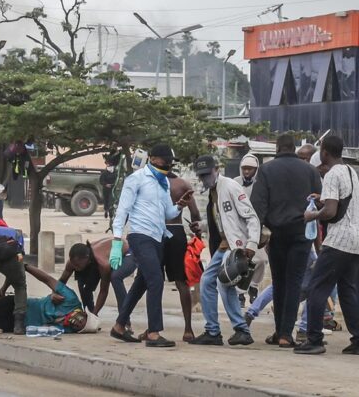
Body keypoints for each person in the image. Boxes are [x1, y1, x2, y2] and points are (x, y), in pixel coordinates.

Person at [109, 144, 193, 348]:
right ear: (154, 159)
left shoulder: (163, 181)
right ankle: (154, 332)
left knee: (142, 283)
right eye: (167, 161)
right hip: (140, 236)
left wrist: (180, 205)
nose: (169, 165)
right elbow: (122, 211)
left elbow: (167, 214)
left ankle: (119, 326)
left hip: (158, 237)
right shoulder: (136, 179)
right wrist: (117, 240)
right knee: (156, 279)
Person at [251, 134, 322, 348]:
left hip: (277, 234)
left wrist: (258, 235)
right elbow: (319, 203)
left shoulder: (267, 170)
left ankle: (279, 331)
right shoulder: (310, 170)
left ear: (278, 148)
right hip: (302, 234)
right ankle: (285, 335)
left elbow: (258, 204)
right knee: (294, 282)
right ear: (293, 148)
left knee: (279, 282)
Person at [296, 136, 359, 355]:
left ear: (324, 153)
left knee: (317, 288)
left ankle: (314, 339)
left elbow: (331, 212)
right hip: (354, 241)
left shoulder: (332, 174)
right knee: (348, 291)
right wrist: (322, 199)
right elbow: (342, 203)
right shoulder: (351, 172)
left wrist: (311, 214)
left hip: (338, 241)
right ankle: (358, 340)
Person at [189, 155, 261, 346]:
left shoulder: (229, 186)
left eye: (208, 174)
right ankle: (214, 331)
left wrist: (251, 244)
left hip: (235, 246)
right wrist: (202, 226)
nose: (205, 178)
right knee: (207, 282)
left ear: (217, 169)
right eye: (202, 175)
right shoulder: (214, 191)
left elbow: (251, 217)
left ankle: (239, 330)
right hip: (223, 245)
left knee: (224, 283)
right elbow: (223, 220)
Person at [0, 262, 96, 334]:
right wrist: (26, 266)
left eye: (79, 327)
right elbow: (47, 279)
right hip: (20, 306)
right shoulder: (70, 300)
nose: (77, 324)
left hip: (19, 322)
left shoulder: (67, 329)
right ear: (83, 314)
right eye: (81, 321)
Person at [57, 238, 136, 320]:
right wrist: (55, 293)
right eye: (73, 264)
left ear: (86, 258)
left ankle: (124, 320)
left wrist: (94, 314)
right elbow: (62, 281)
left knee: (115, 277)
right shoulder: (73, 263)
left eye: (77, 265)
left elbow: (103, 291)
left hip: (127, 252)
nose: (75, 267)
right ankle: (88, 312)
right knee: (83, 285)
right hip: (96, 257)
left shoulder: (103, 264)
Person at [165, 170, 202, 342]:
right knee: (181, 282)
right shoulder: (183, 184)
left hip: (157, 231)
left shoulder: (153, 182)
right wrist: (198, 235)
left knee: (153, 281)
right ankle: (188, 329)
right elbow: (194, 214)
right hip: (177, 229)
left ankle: (152, 327)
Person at [234, 153, 263, 304]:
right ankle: (240, 293)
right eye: (244, 168)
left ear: (256, 169)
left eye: (250, 169)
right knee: (239, 259)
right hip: (239, 227)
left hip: (256, 226)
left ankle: (254, 286)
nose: (247, 172)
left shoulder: (260, 184)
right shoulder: (235, 183)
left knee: (260, 259)